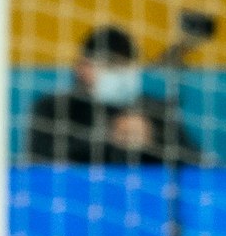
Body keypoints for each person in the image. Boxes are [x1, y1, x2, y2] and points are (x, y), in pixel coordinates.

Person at [27, 25, 199, 165]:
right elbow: (38, 161)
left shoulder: (153, 110)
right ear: (83, 67)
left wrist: (153, 137)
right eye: (111, 65)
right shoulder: (54, 108)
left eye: (127, 66)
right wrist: (108, 135)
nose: (121, 73)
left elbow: (194, 161)